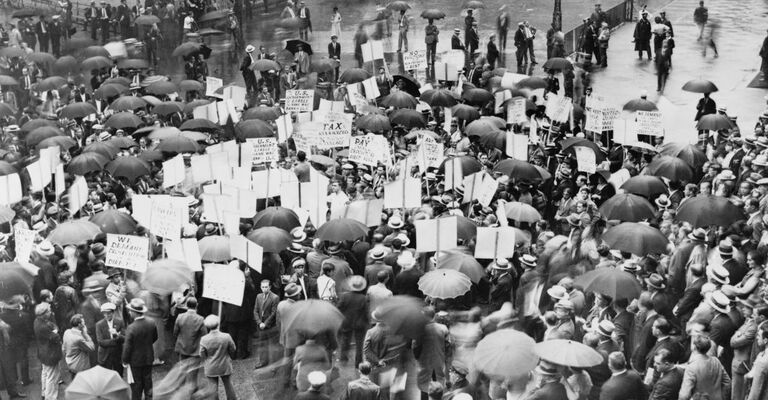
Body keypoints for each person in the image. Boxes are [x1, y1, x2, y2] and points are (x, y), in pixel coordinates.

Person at [122, 298, 158, 400]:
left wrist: (125, 360)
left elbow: (127, 347)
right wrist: (145, 345)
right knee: (148, 384)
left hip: (135, 361)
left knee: (136, 386)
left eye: (130, 310)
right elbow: (155, 337)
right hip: (148, 358)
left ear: (134, 312)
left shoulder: (131, 327)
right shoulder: (151, 322)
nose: (129, 312)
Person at [679, 335, 731, 400]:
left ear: (694, 347)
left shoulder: (691, 367)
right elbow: (727, 382)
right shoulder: (716, 361)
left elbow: (684, 395)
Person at [414, 307, 450, 400]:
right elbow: (448, 347)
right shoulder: (443, 328)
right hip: (439, 362)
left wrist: (417, 358)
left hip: (425, 363)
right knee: (438, 388)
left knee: (424, 388)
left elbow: (415, 348)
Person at [200, 315, 237, 400]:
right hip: (224, 365)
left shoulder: (204, 339)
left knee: (213, 388)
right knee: (228, 385)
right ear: (218, 324)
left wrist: (207, 360)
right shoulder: (226, 336)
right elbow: (233, 349)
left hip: (211, 367)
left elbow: (202, 354)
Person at [337, 276, 369, 366]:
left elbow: (338, 308)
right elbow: (366, 312)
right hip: (359, 323)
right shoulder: (363, 298)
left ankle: (343, 359)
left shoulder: (344, 296)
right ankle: (358, 362)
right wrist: (367, 322)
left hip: (346, 322)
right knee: (359, 344)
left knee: (345, 341)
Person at [34, 302, 60, 400]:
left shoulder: (37, 321)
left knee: (45, 373)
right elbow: (56, 337)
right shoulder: (44, 326)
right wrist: (56, 332)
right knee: (52, 377)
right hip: (50, 354)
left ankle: (44, 393)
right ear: (44, 313)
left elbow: (53, 328)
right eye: (49, 311)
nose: (50, 312)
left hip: (43, 353)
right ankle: (51, 397)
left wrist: (54, 330)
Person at [95, 302, 125, 375]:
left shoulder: (119, 322)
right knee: (106, 376)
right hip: (105, 356)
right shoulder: (99, 324)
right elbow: (101, 342)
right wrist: (116, 340)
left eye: (109, 313)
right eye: (105, 314)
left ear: (113, 313)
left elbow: (124, 338)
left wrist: (116, 335)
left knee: (118, 375)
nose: (107, 315)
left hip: (117, 355)